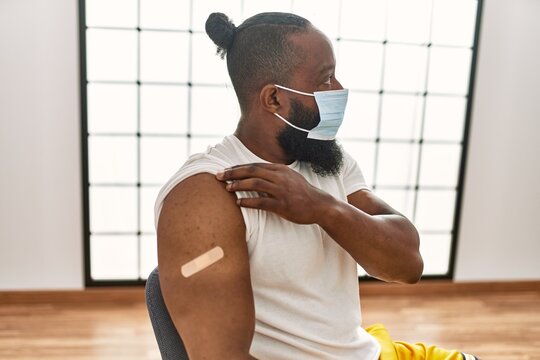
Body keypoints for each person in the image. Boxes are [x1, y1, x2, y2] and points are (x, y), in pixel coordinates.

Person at [154, 12, 478, 360]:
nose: (338, 90)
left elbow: (408, 264)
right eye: (325, 80)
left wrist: (322, 207)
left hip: (370, 351)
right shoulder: (205, 196)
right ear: (274, 99)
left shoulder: (324, 158)